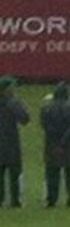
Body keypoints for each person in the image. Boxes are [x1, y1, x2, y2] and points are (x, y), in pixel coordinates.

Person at [39, 83, 70, 208]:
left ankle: (52, 199)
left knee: (52, 173)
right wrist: (64, 141)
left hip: (51, 144)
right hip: (68, 144)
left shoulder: (46, 109)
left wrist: (55, 141)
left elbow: (46, 126)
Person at [0, 77, 27, 208]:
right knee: (14, 172)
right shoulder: (13, 103)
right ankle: (15, 200)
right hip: (11, 142)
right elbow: (25, 119)